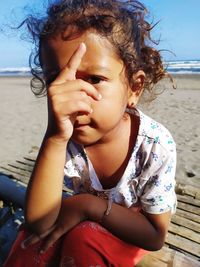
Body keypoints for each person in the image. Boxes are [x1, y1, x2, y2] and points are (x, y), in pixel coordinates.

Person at [4, 0, 177, 266]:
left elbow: (155, 236)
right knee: (32, 241)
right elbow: (38, 222)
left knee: (84, 238)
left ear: (134, 88)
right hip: (81, 218)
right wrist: (55, 138)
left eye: (94, 79)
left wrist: (87, 205)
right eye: (58, 80)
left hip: (131, 231)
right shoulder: (65, 137)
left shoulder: (154, 146)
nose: (76, 99)